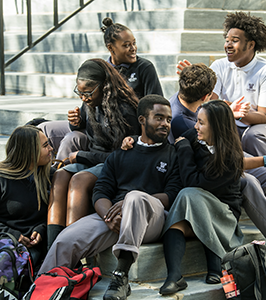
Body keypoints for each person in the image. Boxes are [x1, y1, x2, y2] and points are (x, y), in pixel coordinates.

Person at [37, 95, 182, 300]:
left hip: (152, 219)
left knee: (134, 198)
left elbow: (172, 194)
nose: (165, 124)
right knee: (66, 240)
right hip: (114, 218)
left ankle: (121, 275)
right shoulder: (121, 154)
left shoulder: (174, 155)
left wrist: (129, 203)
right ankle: (40, 289)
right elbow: (101, 191)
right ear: (142, 120)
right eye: (158, 118)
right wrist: (108, 215)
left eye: (168, 119)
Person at [170, 62, 266, 275]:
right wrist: (265, 160)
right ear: (207, 96)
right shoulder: (182, 123)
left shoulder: (194, 108)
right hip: (205, 178)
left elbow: (226, 154)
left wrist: (225, 112)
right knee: (248, 181)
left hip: (219, 165)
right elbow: (226, 163)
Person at [47, 58, 140, 250]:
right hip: (93, 159)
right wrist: (75, 122)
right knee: (60, 175)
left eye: (88, 93)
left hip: (114, 164)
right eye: (79, 93)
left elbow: (122, 156)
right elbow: (87, 129)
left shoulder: (126, 110)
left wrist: (81, 156)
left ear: (104, 86)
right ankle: (52, 246)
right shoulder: (90, 102)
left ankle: (74, 250)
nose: (83, 98)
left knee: (79, 181)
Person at [38, 17, 163, 158]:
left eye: (134, 43)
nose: (133, 48)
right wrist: (76, 121)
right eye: (126, 45)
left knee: (71, 139)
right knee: (42, 129)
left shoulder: (144, 68)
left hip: (122, 133)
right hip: (96, 129)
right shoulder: (100, 69)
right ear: (110, 48)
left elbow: (156, 105)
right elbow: (87, 112)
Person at [159, 100, 244, 294]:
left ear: (217, 127)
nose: (195, 127)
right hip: (194, 211)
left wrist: (186, 150)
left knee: (188, 193)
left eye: (201, 123)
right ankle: (174, 277)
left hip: (223, 217)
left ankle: (216, 259)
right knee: (177, 220)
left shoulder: (230, 158)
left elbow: (194, 183)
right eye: (197, 121)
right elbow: (173, 151)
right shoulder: (195, 137)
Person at [177, 11, 266, 156]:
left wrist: (237, 114)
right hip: (231, 121)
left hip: (265, 126)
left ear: (251, 44)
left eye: (234, 41)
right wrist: (194, 79)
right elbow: (210, 102)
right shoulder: (219, 66)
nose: (228, 45)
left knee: (252, 137)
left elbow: (264, 117)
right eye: (227, 40)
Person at [0, 125, 53, 271]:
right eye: (45, 145)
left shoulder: (51, 178)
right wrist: (14, 234)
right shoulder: (2, 178)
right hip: (4, 241)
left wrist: (41, 230)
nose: (51, 149)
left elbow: (52, 217)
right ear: (30, 153)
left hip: (30, 251)